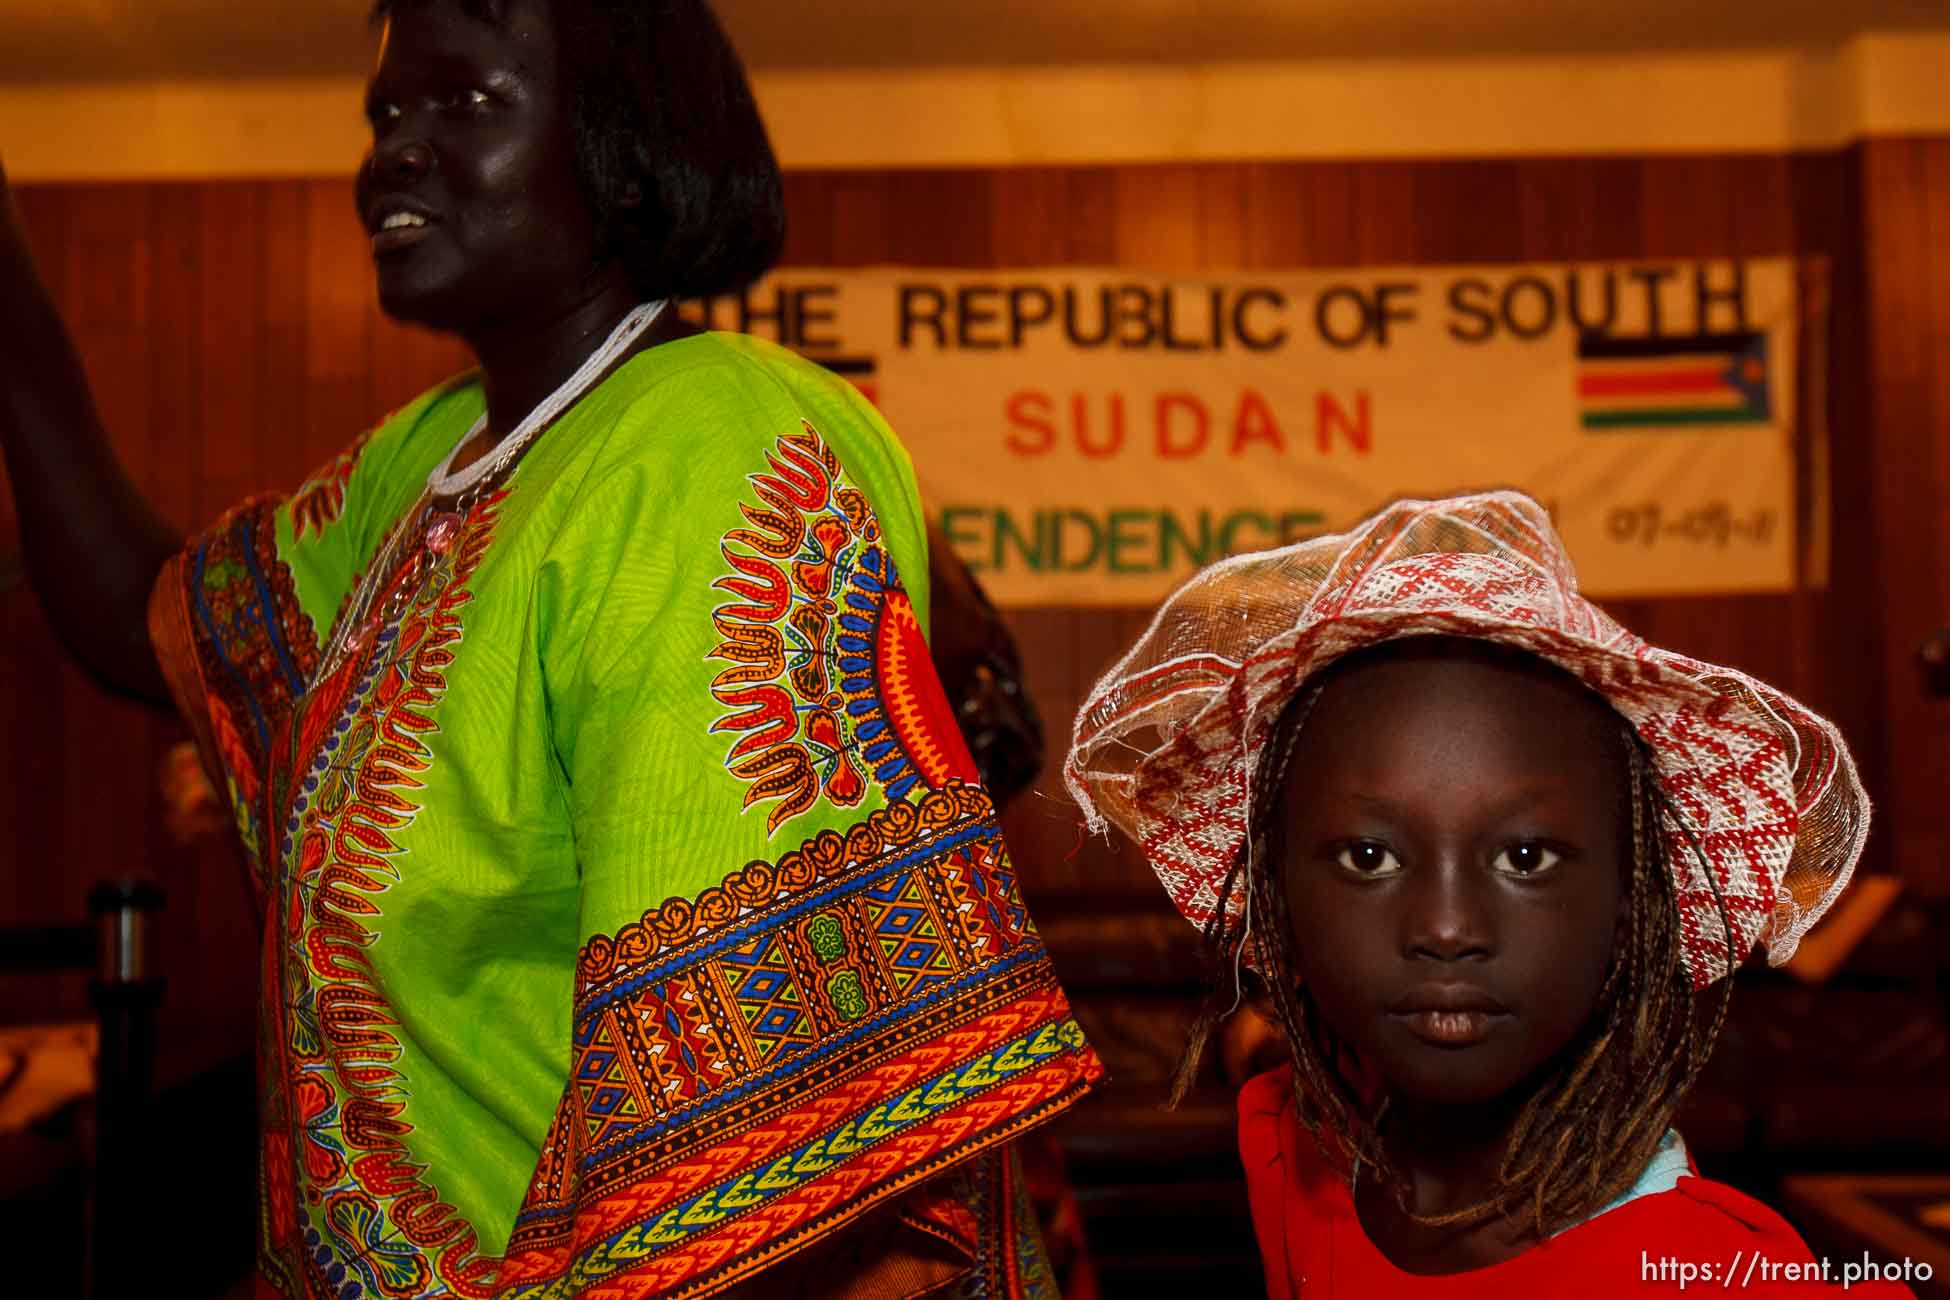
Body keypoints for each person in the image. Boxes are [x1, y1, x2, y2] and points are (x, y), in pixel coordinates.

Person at [0, 0, 1103, 1295]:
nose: (394, 153)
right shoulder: (433, 458)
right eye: (384, 115)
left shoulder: (710, 442)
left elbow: (767, 1138)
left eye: (465, 102)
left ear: (623, 145)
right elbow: (151, 625)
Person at [1064, 491, 1914, 1297]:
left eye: (1527, 856)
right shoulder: (1294, 1154)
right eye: (1368, 856)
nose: (1446, 927)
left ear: (1633, 895)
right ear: (1278, 898)